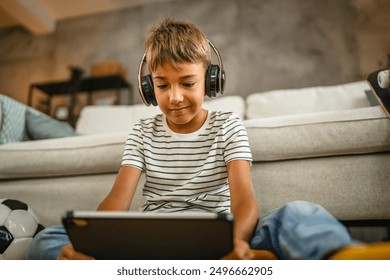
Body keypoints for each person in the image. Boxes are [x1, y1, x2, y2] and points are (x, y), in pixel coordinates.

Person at [27, 17, 390, 260]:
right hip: (156, 239)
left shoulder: (228, 125)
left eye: (187, 83)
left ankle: (345, 260)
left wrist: (238, 241)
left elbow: (244, 198)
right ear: (148, 88)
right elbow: (116, 201)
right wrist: (92, 245)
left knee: (298, 214)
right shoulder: (141, 133)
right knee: (49, 238)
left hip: (222, 236)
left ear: (211, 81)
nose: (174, 97)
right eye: (162, 85)